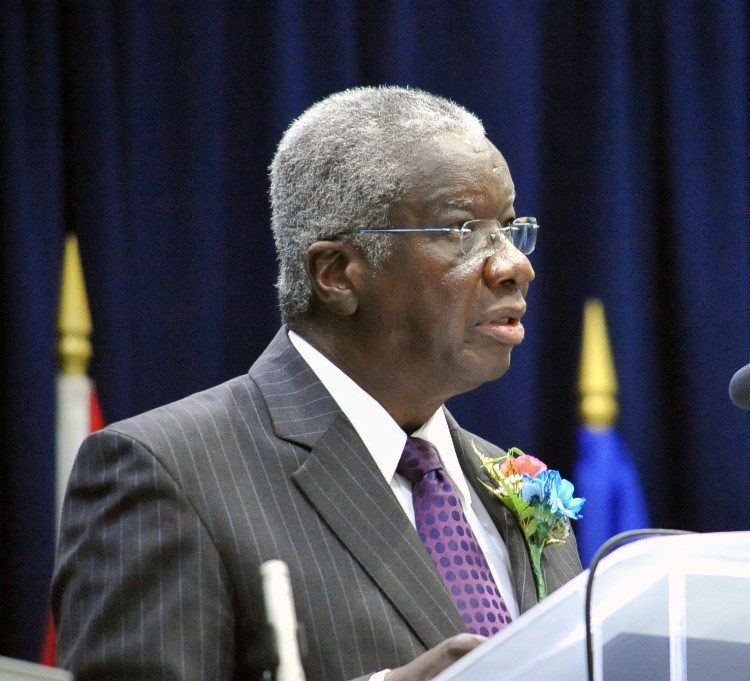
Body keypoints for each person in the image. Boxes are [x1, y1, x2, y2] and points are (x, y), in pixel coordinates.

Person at [52, 86, 582, 681]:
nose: (515, 265)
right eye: (463, 230)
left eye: (509, 229)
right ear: (335, 274)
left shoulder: (514, 486)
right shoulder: (169, 473)